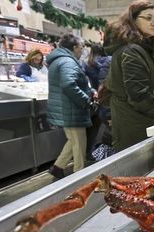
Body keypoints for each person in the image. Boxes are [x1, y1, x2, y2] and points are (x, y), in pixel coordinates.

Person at [104, 0, 154, 152]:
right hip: (135, 127)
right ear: (133, 20)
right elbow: (139, 96)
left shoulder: (142, 49)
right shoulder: (131, 51)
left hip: (140, 123)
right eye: (148, 18)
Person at [47, 33, 93, 179]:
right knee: (79, 143)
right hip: (71, 109)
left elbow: (71, 82)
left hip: (67, 108)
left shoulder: (60, 60)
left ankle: (58, 167)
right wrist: (86, 100)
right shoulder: (68, 62)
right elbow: (68, 84)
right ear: (74, 47)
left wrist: (89, 90)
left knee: (74, 139)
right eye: (81, 47)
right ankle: (79, 175)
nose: (82, 51)